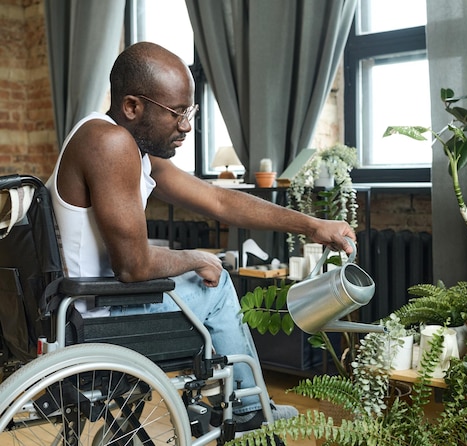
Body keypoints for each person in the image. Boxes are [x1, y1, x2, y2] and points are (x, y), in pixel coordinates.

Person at [46, 41, 356, 431]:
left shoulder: (120, 142)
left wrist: (313, 225)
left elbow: (218, 200)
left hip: (83, 308)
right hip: (98, 320)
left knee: (207, 273)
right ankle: (246, 409)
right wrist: (196, 257)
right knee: (216, 283)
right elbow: (133, 267)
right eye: (176, 113)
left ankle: (224, 401)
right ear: (131, 107)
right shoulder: (111, 144)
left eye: (189, 111)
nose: (187, 125)